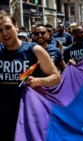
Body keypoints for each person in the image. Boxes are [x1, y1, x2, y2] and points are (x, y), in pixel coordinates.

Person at [0, 10, 61, 140]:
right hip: (3, 120)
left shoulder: (34, 50)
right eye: (0, 30)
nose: (4, 33)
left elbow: (56, 77)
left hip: (29, 118)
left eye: (8, 27)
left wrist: (39, 81)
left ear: (16, 26)